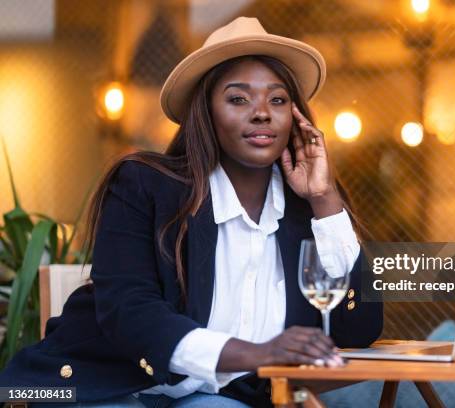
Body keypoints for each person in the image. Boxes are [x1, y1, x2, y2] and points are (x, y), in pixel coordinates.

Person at [0, 17, 383, 407]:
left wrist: (325, 198)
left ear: (295, 118)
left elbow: (359, 330)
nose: (262, 112)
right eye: (238, 98)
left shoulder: (311, 216)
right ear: (206, 113)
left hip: (214, 397)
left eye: (278, 99)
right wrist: (255, 353)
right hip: (100, 385)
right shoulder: (145, 186)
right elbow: (131, 312)